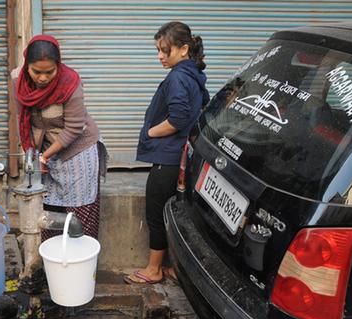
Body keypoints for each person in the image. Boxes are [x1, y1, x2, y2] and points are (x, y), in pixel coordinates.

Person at [125, 21, 209, 285]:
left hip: (168, 158)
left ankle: (153, 270)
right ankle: (175, 268)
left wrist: (150, 133)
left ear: (184, 49)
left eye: (165, 51)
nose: (160, 56)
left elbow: (179, 118)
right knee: (176, 214)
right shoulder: (193, 74)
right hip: (182, 157)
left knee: (156, 213)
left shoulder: (177, 77)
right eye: (158, 50)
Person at [12, 35, 107, 241]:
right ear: (27, 64)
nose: (43, 78)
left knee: (79, 210)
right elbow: (23, 119)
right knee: (48, 206)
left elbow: (74, 128)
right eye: (37, 72)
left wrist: (44, 156)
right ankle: (52, 262)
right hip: (45, 148)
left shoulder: (70, 82)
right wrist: (30, 151)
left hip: (77, 150)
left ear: (58, 65)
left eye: (49, 72)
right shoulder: (17, 80)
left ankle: (80, 261)